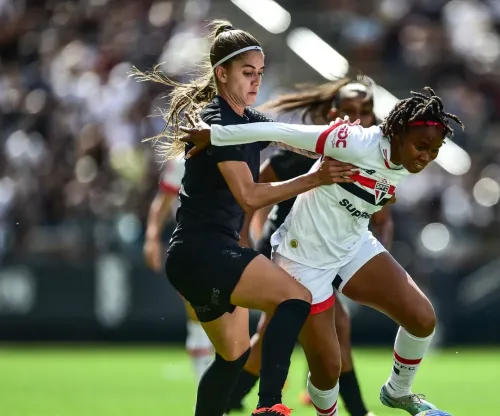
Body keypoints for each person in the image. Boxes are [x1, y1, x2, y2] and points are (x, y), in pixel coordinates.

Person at [182, 87, 463, 415]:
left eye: (434, 150)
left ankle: (397, 392)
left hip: (353, 245)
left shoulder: (405, 162)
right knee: (328, 371)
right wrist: (216, 134)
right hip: (303, 259)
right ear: (398, 133)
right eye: (421, 147)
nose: (426, 156)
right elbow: (279, 131)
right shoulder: (351, 141)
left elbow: (375, 195)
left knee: (422, 318)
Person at [132, 20, 357, 416]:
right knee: (296, 297)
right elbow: (250, 195)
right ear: (222, 73)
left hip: (193, 257)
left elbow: (296, 141)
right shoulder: (216, 122)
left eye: (260, 74)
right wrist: (317, 177)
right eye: (247, 72)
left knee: (232, 358)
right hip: (206, 251)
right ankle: (269, 404)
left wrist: (342, 140)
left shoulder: (247, 121)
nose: (255, 81)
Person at [227, 77, 391, 416]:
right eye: (349, 111)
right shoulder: (310, 150)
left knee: (285, 333)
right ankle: (356, 410)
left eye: (366, 112)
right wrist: (249, 238)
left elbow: (383, 218)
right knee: (322, 328)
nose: (358, 119)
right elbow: (254, 191)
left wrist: (376, 259)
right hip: (291, 249)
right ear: (333, 114)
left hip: (329, 255)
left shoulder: (375, 158)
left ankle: (233, 397)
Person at [143, 156, 214, 382]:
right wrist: (152, 236)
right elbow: (164, 199)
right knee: (198, 314)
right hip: (193, 245)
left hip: (229, 241)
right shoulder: (183, 161)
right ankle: (205, 387)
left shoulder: (239, 149)